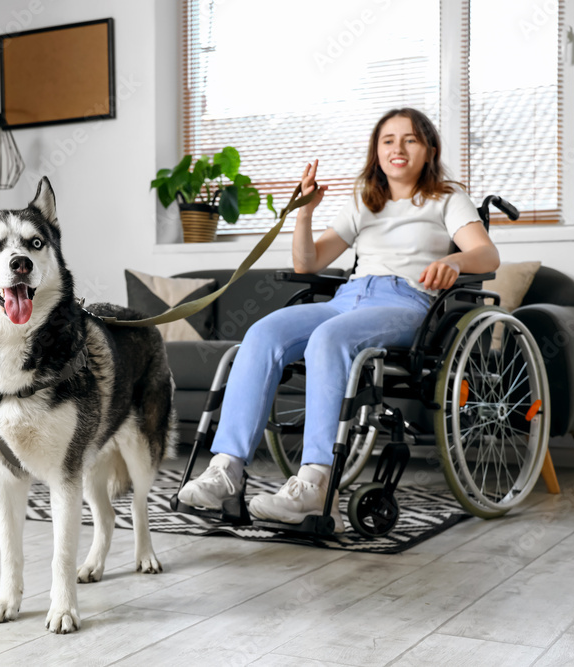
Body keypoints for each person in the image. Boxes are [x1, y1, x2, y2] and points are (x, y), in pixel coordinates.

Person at [177, 108, 500, 531]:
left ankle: (314, 483)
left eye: (410, 140)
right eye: (387, 140)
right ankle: (226, 470)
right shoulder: (365, 200)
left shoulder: (447, 200)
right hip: (348, 297)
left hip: (406, 302)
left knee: (329, 338)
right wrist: (305, 211)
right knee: (263, 333)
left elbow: (487, 255)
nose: (397, 149)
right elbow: (307, 262)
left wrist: (455, 262)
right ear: (376, 150)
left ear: (429, 150)